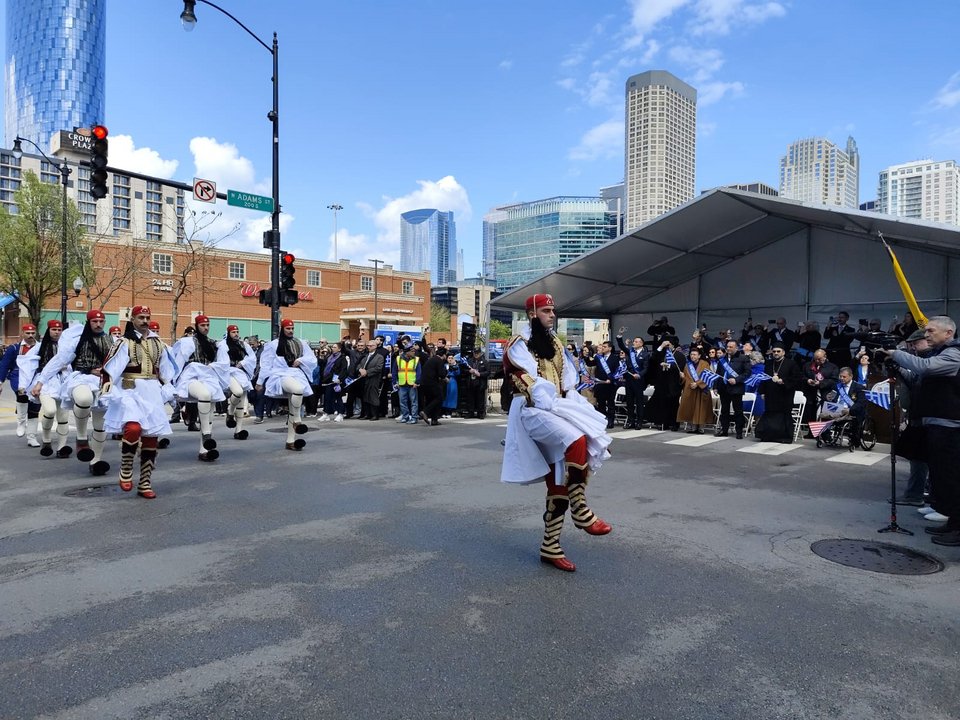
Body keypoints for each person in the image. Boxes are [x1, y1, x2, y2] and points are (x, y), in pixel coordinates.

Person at [501, 294, 612, 573]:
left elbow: (568, 381)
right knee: (577, 439)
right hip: (532, 410)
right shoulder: (518, 344)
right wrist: (554, 402)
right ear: (532, 314)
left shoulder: (556, 344)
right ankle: (580, 508)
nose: (552, 315)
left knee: (558, 481)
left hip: (555, 408)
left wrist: (570, 402)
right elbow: (530, 384)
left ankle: (550, 546)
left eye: (553, 310)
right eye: (547, 311)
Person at [879, 317, 960, 545]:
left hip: (951, 426)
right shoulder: (938, 353)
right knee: (942, 478)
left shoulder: (954, 354)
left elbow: (926, 368)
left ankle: (958, 526)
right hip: (936, 423)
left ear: (948, 333)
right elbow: (918, 377)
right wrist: (897, 367)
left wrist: (896, 353)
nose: (926, 335)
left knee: (952, 477)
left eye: (931, 331)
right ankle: (953, 522)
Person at [100, 305, 177, 499]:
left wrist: (169, 388)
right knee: (133, 428)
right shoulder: (124, 342)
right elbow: (110, 368)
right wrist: (108, 389)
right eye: (140, 317)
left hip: (151, 392)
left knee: (151, 438)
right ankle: (126, 465)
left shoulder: (159, 343)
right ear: (132, 319)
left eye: (147, 317)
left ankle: (145, 482)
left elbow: (167, 371)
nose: (144, 321)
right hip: (130, 390)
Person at [32, 309, 113, 474]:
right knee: (83, 400)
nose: (98, 324)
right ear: (88, 322)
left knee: (100, 425)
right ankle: (81, 437)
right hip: (81, 378)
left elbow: (120, 364)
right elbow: (59, 361)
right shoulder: (78, 341)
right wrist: (40, 382)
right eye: (94, 321)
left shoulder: (111, 341)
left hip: (103, 383)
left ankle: (95, 460)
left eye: (101, 321)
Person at [172, 315, 225, 462]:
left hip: (208, 376)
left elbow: (222, 363)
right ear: (197, 326)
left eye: (207, 325)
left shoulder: (214, 344)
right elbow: (178, 361)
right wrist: (173, 380)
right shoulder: (188, 342)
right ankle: (207, 435)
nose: (206, 328)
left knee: (209, 414)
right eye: (202, 325)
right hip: (192, 376)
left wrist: (213, 367)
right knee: (204, 395)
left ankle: (204, 450)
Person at [257, 319, 317, 450]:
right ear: (282, 329)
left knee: (293, 402)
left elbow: (312, 359)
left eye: (292, 328)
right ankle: (297, 420)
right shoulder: (274, 344)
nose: (290, 331)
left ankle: (290, 441)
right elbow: (266, 363)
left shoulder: (300, 343)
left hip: (297, 374)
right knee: (298, 390)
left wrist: (301, 360)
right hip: (280, 375)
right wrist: (260, 381)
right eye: (288, 328)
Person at [22, 320, 70, 457]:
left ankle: (62, 447)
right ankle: (46, 439)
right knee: (49, 410)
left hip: (63, 381)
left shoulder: (67, 347)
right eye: (54, 329)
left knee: (63, 416)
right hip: (45, 382)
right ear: (48, 330)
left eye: (59, 329)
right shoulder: (39, 347)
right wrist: (24, 385)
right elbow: (27, 366)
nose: (57, 332)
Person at [213, 324, 257, 440]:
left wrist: (243, 363)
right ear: (228, 333)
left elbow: (252, 357)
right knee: (237, 392)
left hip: (241, 373)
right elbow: (221, 361)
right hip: (228, 373)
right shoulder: (223, 345)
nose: (236, 334)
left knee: (242, 401)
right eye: (233, 332)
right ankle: (230, 411)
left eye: (237, 331)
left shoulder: (243, 345)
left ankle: (238, 430)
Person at [0, 323, 40, 444]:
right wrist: (0, 381)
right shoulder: (14, 348)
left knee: (34, 407)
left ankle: (32, 437)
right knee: (21, 394)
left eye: (32, 333)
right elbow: (4, 365)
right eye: (27, 333)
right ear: (22, 333)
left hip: (35, 377)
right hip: (18, 376)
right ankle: (21, 423)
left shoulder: (41, 347)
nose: (30, 335)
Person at [754, 343, 802, 443]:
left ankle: (784, 437)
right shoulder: (768, 363)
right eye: (774, 351)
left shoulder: (791, 364)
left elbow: (796, 378)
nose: (776, 353)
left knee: (783, 415)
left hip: (785, 394)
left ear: (783, 352)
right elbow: (763, 377)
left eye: (778, 351)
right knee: (770, 414)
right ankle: (768, 436)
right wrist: (762, 391)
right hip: (771, 394)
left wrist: (783, 381)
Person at [715, 340, 751, 438]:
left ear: (736, 348)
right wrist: (716, 387)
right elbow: (718, 374)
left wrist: (736, 380)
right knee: (724, 411)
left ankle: (739, 432)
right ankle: (724, 430)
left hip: (736, 388)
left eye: (731, 347)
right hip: (724, 388)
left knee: (738, 411)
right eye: (727, 347)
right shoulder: (722, 359)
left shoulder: (743, 358)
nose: (728, 348)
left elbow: (747, 373)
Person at [615, 329, 650, 430]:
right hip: (629, 380)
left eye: (636, 341)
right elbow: (621, 346)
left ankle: (639, 422)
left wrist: (639, 374)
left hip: (639, 381)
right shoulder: (631, 352)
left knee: (639, 402)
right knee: (629, 402)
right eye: (634, 341)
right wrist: (620, 335)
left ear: (641, 343)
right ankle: (631, 421)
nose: (634, 343)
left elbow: (646, 368)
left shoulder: (646, 354)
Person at [677, 346, 711, 433]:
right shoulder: (687, 365)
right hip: (690, 389)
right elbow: (685, 379)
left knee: (701, 409)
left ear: (699, 355)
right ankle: (693, 427)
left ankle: (701, 428)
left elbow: (707, 376)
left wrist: (698, 383)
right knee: (690, 408)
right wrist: (682, 377)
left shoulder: (705, 364)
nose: (693, 356)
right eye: (691, 354)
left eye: (695, 354)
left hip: (701, 390)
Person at [356, 339, 385, 420]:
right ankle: (367, 414)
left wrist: (367, 372)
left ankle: (375, 414)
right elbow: (358, 364)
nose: (368, 347)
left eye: (370, 346)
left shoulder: (379, 357)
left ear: (375, 346)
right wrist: (360, 370)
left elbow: (378, 368)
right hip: (364, 378)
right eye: (368, 345)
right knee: (365, 396)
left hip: (373, 379)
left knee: (373, 397)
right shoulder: (365, 356)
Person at [591, 341, 618, 429]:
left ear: (610, 348)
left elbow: (617, 371)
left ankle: (610, 421)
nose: (602, 348)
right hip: (600, 383)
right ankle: (602, 420)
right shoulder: (599, 357)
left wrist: (610, 379)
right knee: (601, 403)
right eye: (602, 346)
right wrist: (587, 357)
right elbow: (590, 363)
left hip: (610, 384)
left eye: (605, 346)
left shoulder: (614, 358)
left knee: (610, 404)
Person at [419, 346, 448, 426]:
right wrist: (445, 377)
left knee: (432, 399)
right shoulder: (439, 361)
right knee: (439, 398)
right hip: (431, 383)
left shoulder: (431, 359)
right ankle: (425, 412)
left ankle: (434, 419)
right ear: (444, 355)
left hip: (424, 383)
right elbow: (441, 374)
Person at [393, 343, 421, 424]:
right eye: (412, 351)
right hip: (401, 384)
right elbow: (394, 371)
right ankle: (405, 417)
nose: (414, 352)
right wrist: (395, 382)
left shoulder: (416, 360)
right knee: (402, 402)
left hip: (412, 384)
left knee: (414, 402)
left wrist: (417, 382)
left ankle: (414, 417)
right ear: (407, 352)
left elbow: (419, 372)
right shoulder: (398, 359)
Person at [463, 347, 490, 418]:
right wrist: (469, 371)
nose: (476, 354)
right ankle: (470, 412)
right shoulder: (469, 361)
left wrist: (480, 374)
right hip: (471, 382)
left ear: (480, 353)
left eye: (477, 353)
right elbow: (464, 370)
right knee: (470, 398)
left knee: (480, 399)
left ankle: (480, 413)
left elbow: (488, 372)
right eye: (475, 353)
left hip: (480, 383)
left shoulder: (484, 362)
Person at [442, 353, 460, 418]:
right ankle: (444, 411)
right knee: (445, 396)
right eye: (449, 358)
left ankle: (450, 411)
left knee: (451, 396)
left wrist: (454, 365)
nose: (450, 359)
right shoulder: (445, 365)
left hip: (452, 381)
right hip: (445, 381)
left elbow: (458, 373)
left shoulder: (456, 366)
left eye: (451, 358)